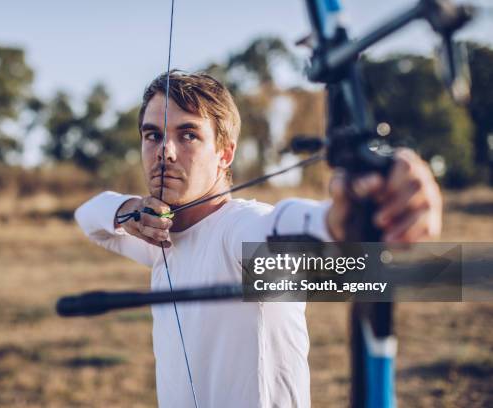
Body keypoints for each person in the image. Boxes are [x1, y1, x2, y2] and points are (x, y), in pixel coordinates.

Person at [74, 71, 442, 407]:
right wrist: (128, 209)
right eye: (153, 135)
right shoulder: (161, 240)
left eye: (188, 135)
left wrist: (337, 221)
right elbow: (89, 217)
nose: (164, 153)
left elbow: (283, 232)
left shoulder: (241, 229)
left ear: (225, 154)